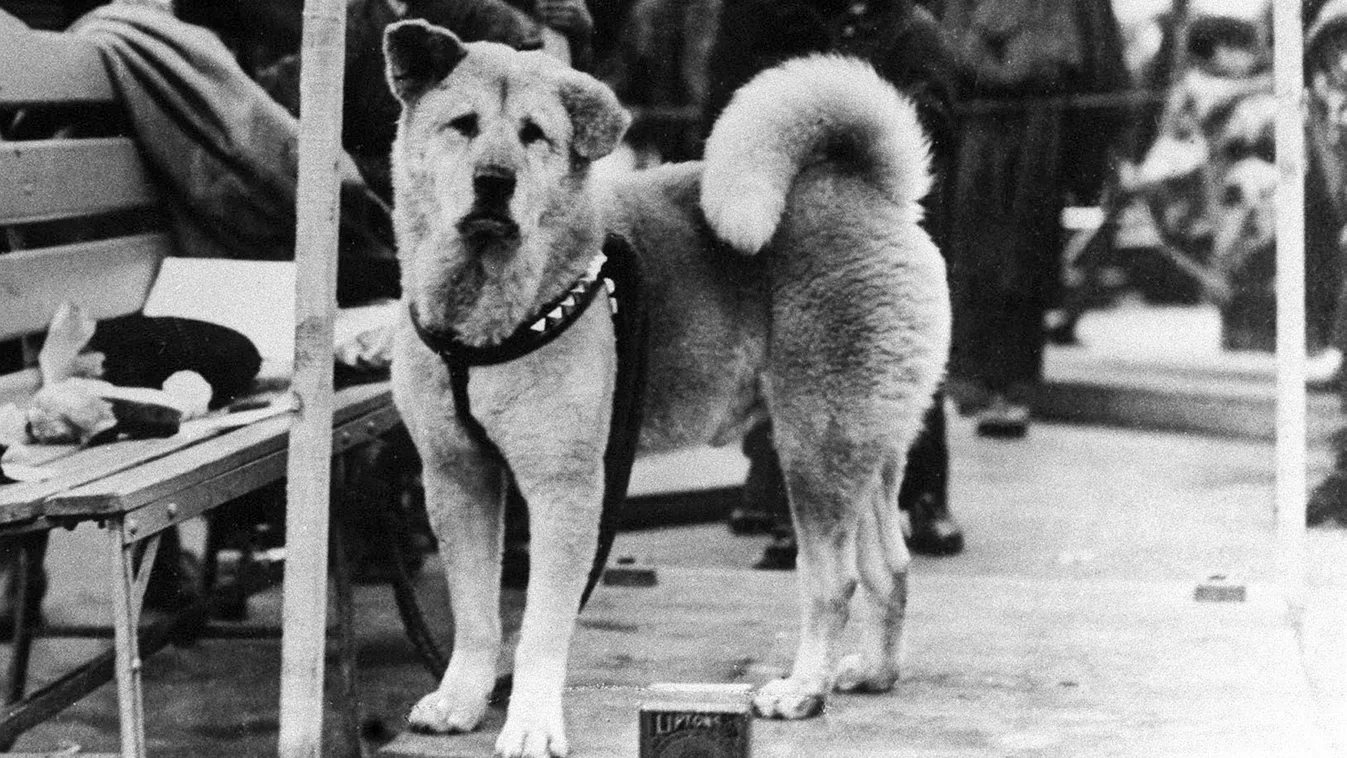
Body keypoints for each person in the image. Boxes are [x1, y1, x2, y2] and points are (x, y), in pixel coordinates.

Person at [701, 0, 966, 566]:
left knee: (899, 371)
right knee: (799, 371)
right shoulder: (796, 24)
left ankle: (924, 496)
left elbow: (933, 124)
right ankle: (793, 511)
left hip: (887, 221)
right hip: (809, 228)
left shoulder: (911, 33)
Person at [938, 0, 1130, 438]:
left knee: (1020, 261)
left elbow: (1072, 55)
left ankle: (1012, 387)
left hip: (1033, 133)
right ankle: (973, 379)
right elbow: (949, 45)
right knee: (972, 253)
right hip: (978, 129)